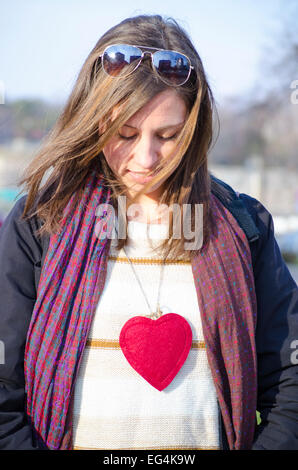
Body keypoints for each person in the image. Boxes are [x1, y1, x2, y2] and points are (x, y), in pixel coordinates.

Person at [0, 14, 297, 451]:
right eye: (125, 132)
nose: (146, 156)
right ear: (94, 120)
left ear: (192, 130)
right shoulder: (42, 220)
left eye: (168, 135)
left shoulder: (242, 225)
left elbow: (290, 378)